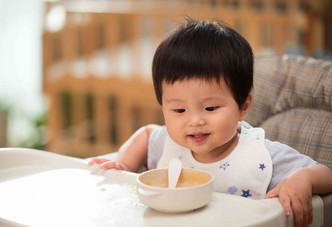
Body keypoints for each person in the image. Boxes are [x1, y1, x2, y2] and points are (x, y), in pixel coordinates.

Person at [89, 18, 332, 227]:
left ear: (243, 107)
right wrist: (123, 165)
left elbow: (327, 174)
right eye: (179, 109)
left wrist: (304, 179)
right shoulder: (169, 144)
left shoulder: (261, 156)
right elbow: (146, 134)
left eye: (211, 108)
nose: (195, 121)